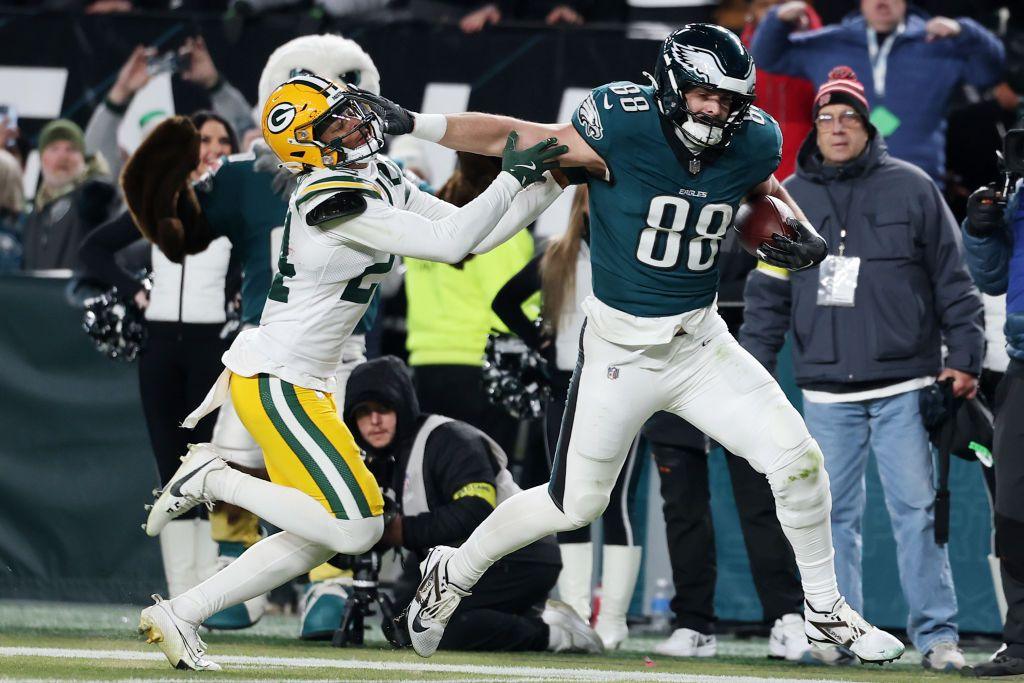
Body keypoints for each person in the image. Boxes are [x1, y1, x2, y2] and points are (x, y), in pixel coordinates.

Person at [364, 23, 906, 664]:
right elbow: (516, 137)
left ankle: (824, 611)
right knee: (573, 504)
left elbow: (756, 189)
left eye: (730, 99)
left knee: (798, 462)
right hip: (620, 353)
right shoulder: (622, 121)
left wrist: (788, 217)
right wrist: (416, 122)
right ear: (674, 86)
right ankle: (452, 576)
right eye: (705, 95)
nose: (717, 110)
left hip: (699, 344)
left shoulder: (756, 138)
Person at [132, 72, 569, 671]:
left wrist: (544, 191)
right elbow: (445, 243)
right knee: (360, 527)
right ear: (305, 146)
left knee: (322, 532)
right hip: (278, 379)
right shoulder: (326, 199)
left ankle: (182, 611)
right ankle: (214, 479)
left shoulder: (377, 174)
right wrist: (516, 179)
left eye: (348, 112)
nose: (355, 125)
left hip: (303, 381)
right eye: (334, 123)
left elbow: (467, 237)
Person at [740, 67, 983, 672]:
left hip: (906, 382)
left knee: (917, 515)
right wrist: (750, 373)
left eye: (849, 116)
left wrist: (966, 359)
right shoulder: (788, 196)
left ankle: (938, 639)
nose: (837, 127)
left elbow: (954, 281)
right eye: (826, 117)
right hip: (823, 390)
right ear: (814, 129)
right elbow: (767, 296)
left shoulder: (914, 187)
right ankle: (837, 637)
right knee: (828, 520)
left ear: (868, 127)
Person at [79, 110, 239, 608]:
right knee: (170, 467)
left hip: (213, 346)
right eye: (203, 139)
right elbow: (95, 250)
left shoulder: (235, 204)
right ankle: (180, 599)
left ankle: (213, 594)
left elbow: (264, 257)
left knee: (210, 463)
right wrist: (136, 292)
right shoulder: (159, 203)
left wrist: (240, 297)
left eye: (221, 139)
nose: (211, 147)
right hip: (160, 346)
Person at [343, 355, 601, 653]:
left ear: (401, 406)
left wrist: (399, 531)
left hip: (522, 555)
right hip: (459, 557)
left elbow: (474, 510)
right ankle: (523, 616)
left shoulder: (449, 439)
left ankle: (557, 635)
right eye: (364, 412)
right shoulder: (382, 459)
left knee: (433, 627)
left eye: (383, 409)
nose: (374, 421)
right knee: (401, 622)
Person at [491, 185, 644, 650]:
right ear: (581, 203)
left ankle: (613, 620)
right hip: (563, 390)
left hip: (623, 388)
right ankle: (577, 613)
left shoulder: (635, 255)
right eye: (591, 198)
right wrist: (539, 337)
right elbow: (503, 302)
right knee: (568, 500)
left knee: (615, 502)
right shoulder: (556, 254)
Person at [749, 0, 1005, 184]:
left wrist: (967, 31)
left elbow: (990, 73)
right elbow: (768, 58)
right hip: (840, 180)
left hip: (918, 183)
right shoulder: (830, 43)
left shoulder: (938, 45)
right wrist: (777, 20)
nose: (882, 2)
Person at [406, 151, 536, 459]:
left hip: (427, 366)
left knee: (439, 475)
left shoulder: (426, 221)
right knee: (489, 477)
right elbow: (510, 306)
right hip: (483, 369)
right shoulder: (502, 226)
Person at [959, 181, 1024, 676]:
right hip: (1018, 362)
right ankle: (1020, 642)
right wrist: (981, 231)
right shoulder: (1016, 189)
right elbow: (993, 277)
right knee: (1013, 508)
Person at [21, 119, 116, 271]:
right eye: (54, 148)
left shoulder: (92, 198)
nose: (63, 156)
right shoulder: (34, 212)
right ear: (42, 159)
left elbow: (102, 192)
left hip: (80, 293)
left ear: (84, 159)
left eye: (71, 149)